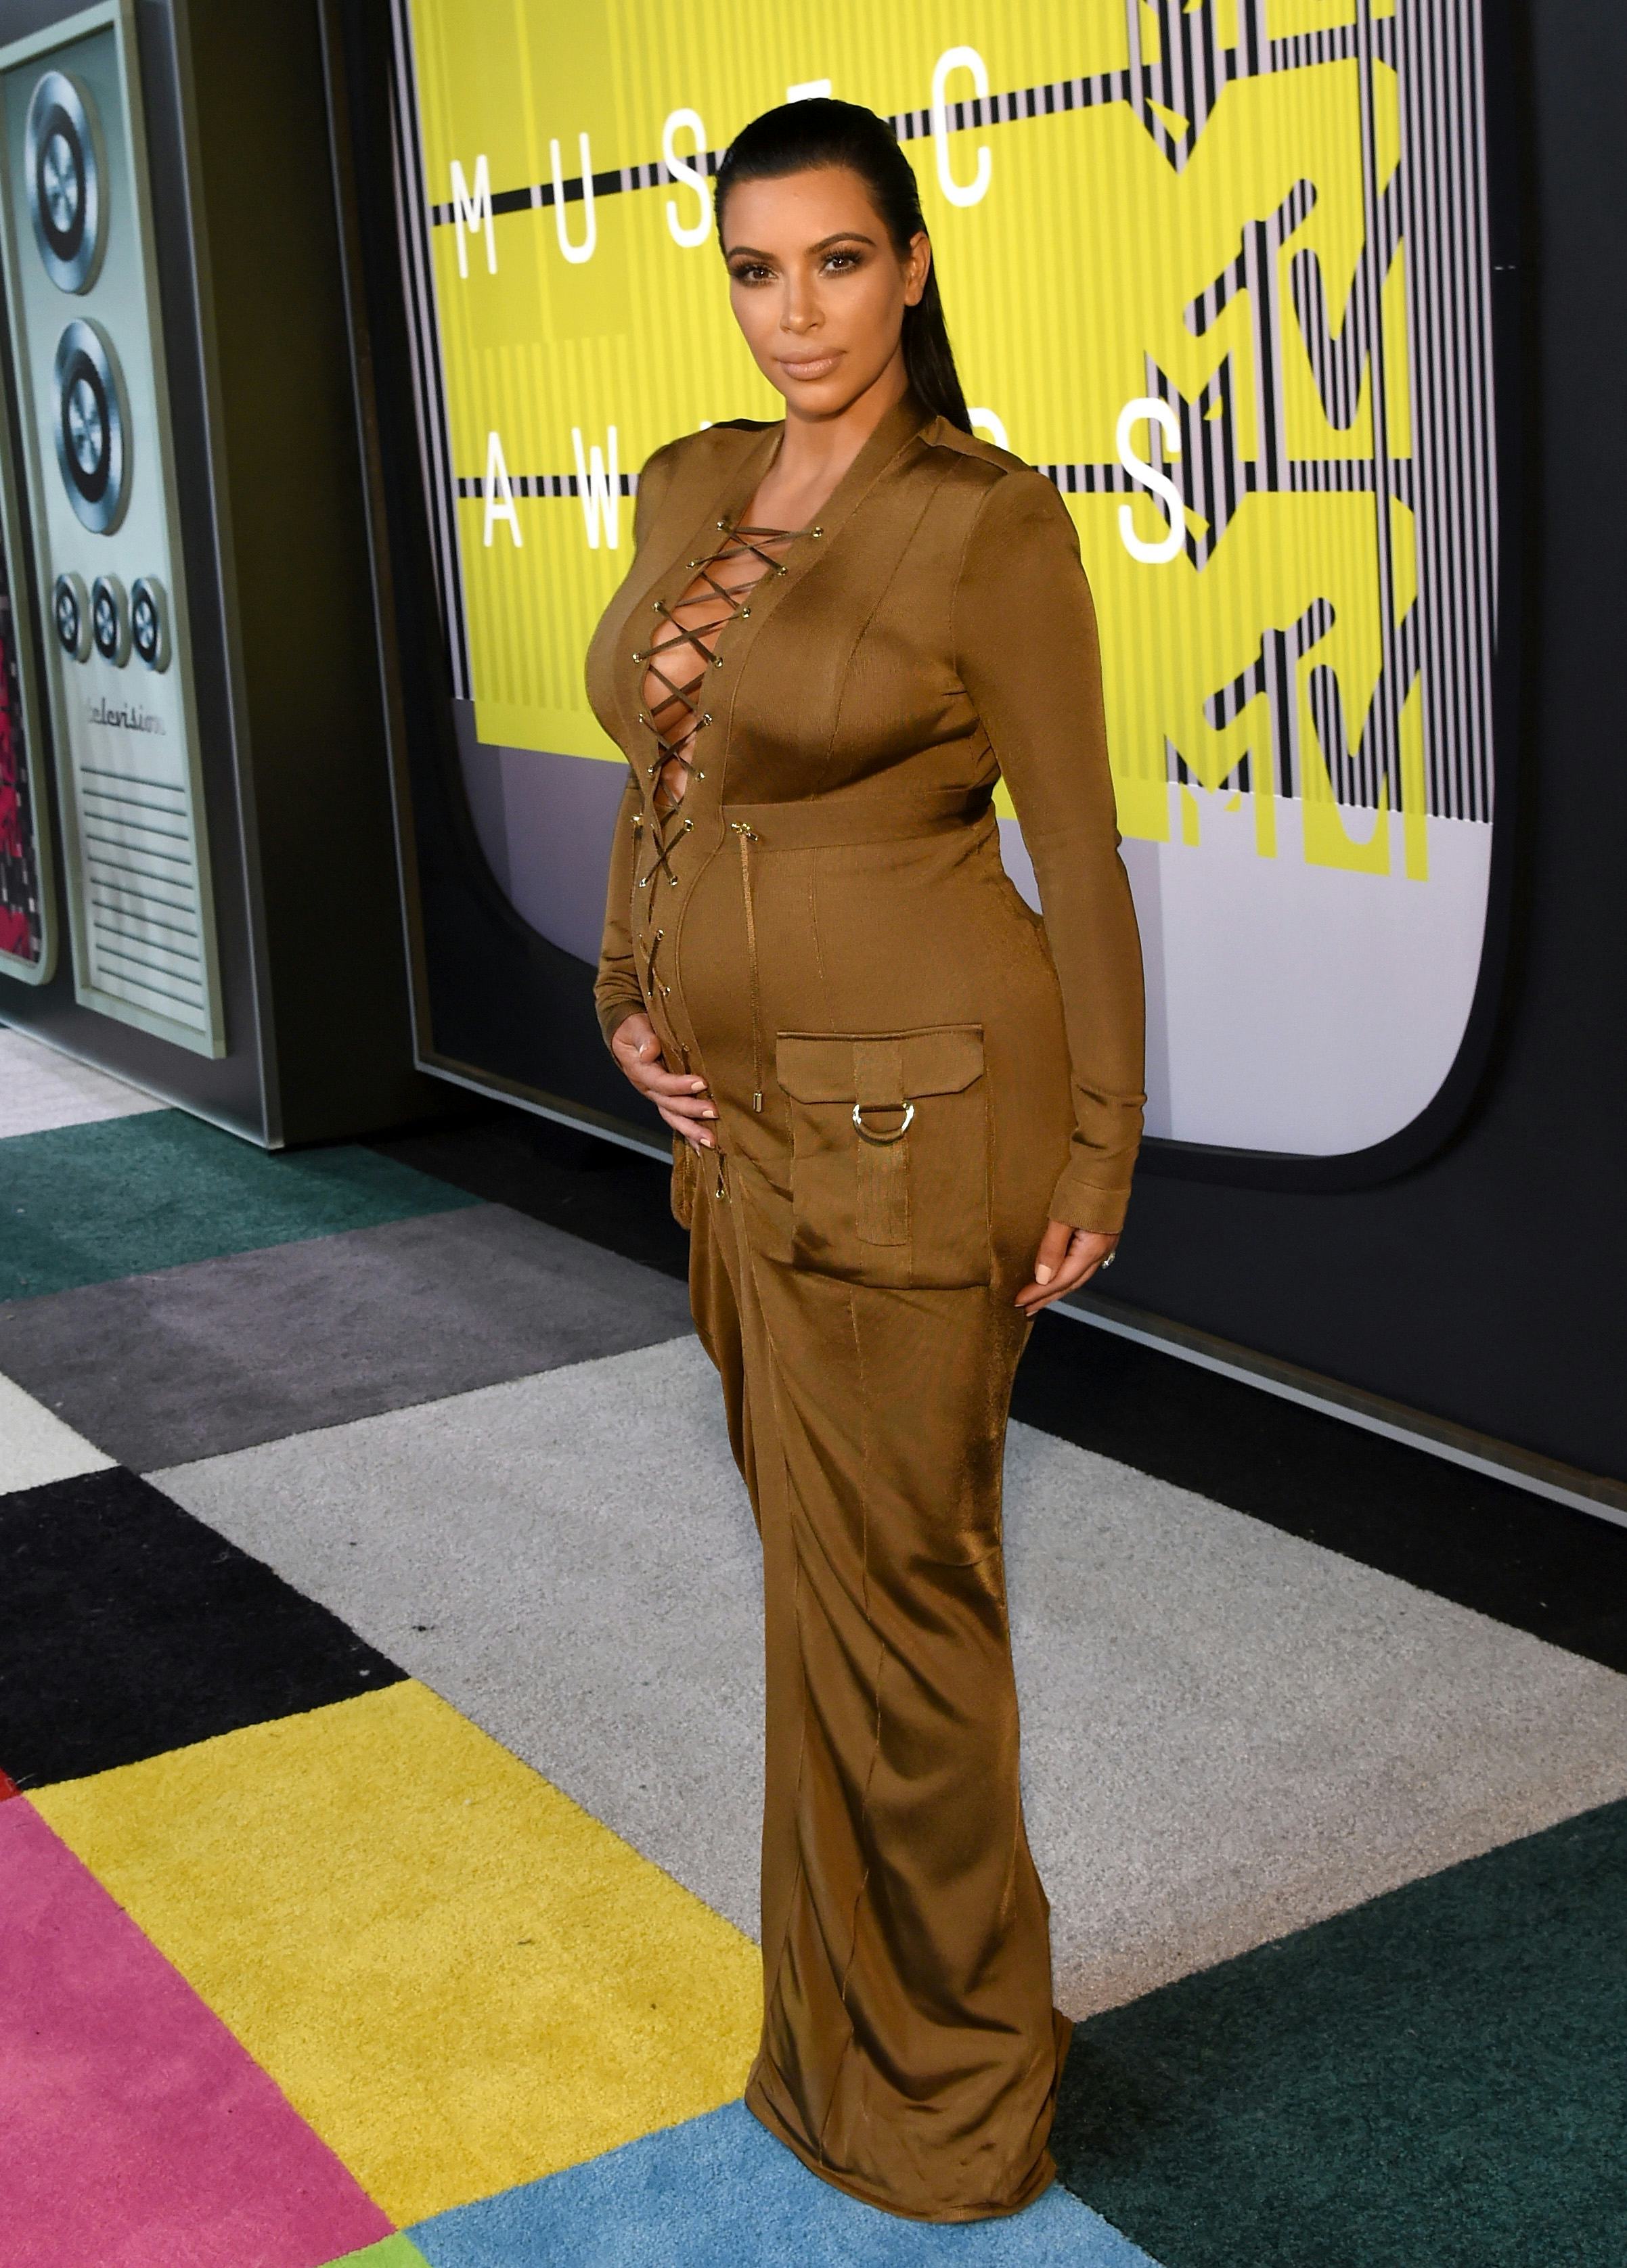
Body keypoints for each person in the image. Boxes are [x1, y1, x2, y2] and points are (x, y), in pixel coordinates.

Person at [585, 96, 1144, 2225]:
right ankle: (836, 2046)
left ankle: (953, 2094)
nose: (793, 311)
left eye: (835, 261)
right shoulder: (689, 483)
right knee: (821, 1610)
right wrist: (625, 994)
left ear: (911, 265)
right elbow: (664, 774)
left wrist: (1098, 1142)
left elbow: (1075, 847)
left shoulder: (984, 523)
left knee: (904, 1611)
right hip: (737, 1144)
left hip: (925, 1131)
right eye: (755, 268)